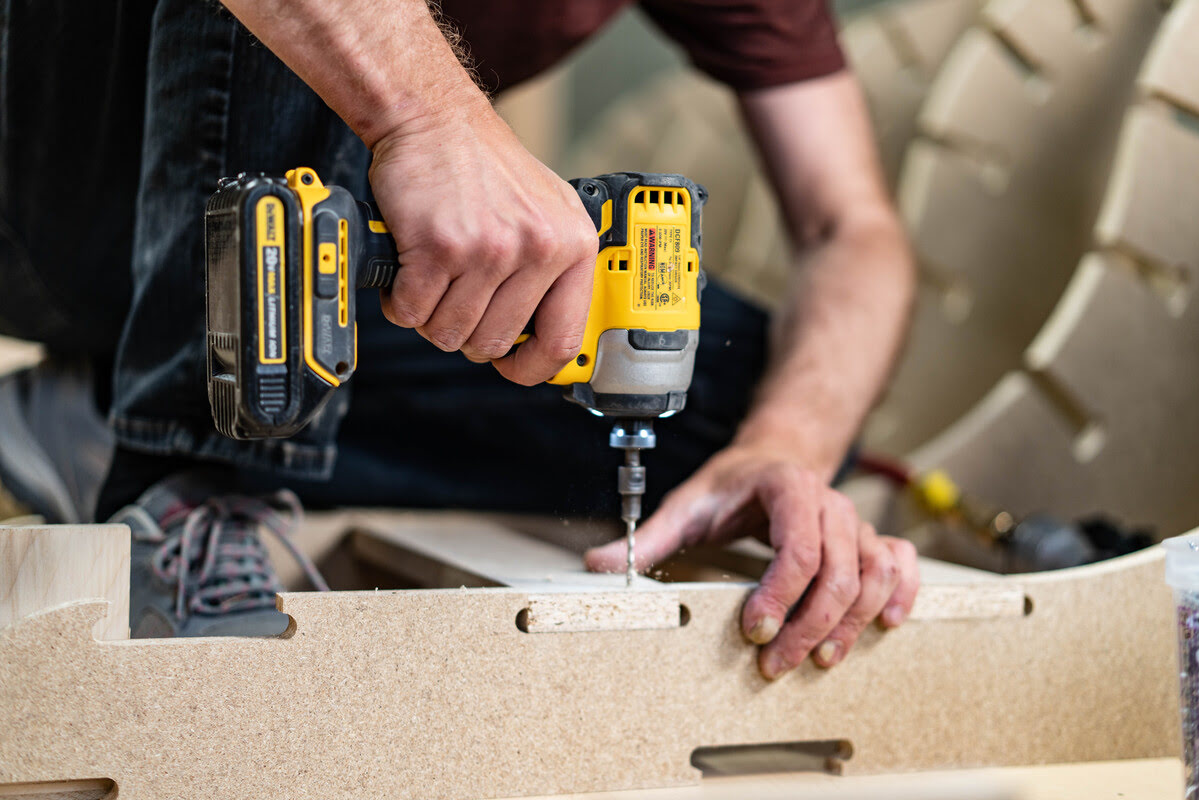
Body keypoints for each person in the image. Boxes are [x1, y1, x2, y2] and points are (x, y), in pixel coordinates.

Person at [0, 0, 918, 679]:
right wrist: (431, 120)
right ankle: (178, 473)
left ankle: (98, 412)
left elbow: (851, 228)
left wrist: (784, 443)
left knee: (721, 387)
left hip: (252, 249)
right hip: (32, 194)